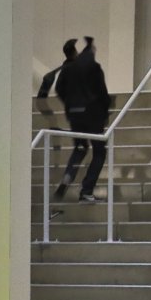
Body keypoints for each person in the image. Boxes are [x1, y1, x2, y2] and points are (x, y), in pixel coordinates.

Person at [53, 37, 112, 203]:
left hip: (74, 114)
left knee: (80, 148)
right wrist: (105, 112)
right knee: (99, 151)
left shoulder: (68, 68)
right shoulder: (93, 67)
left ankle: (68, 176)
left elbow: (59, 88)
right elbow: (102, 92)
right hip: (92, 114)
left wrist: (70, 104)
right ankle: (86, 191)